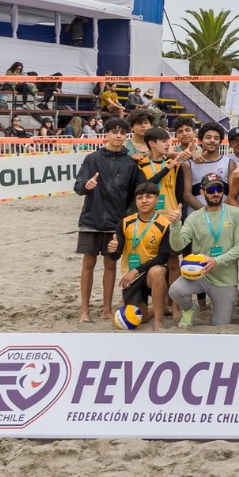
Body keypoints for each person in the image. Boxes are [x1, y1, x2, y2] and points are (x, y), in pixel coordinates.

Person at [72, 118, 140, 323]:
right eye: (114, 132)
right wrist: (87, 186)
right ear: (106, 134)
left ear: (127, 136)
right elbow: (78, 186)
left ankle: (106, 309)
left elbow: (134, 194)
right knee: (88, 263)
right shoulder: (92, 158)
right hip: (91, 219)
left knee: (110, 265)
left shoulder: (130, 162)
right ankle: (84, 311)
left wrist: (125, 218)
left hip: (116, 222)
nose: (118, 136)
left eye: (122, 132)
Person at [165, 174, 239, 328]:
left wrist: (216, 261)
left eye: (219, 189)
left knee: (221, 324)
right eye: (211, 190)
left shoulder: (236, 213)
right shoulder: (194, 217)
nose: (215, 193)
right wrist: (175, 224)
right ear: (202, 193)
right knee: (175, 291)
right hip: (200, 275)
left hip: (225, 280)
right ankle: (190, 309)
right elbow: (177, 246)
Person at [112, 181, 178, 330]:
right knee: (138, 318)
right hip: (131, 277)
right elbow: (116, 256)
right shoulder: (125, 222)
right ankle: (157, 309)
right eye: (140, 197)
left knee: (158, 271)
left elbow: (163, 257)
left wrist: (136, 270)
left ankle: (159, 322)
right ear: (136, 201)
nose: (144, 201)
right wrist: (113, 250)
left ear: (157, 200)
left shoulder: (165, 224)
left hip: (151, 273)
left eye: (148, 197)